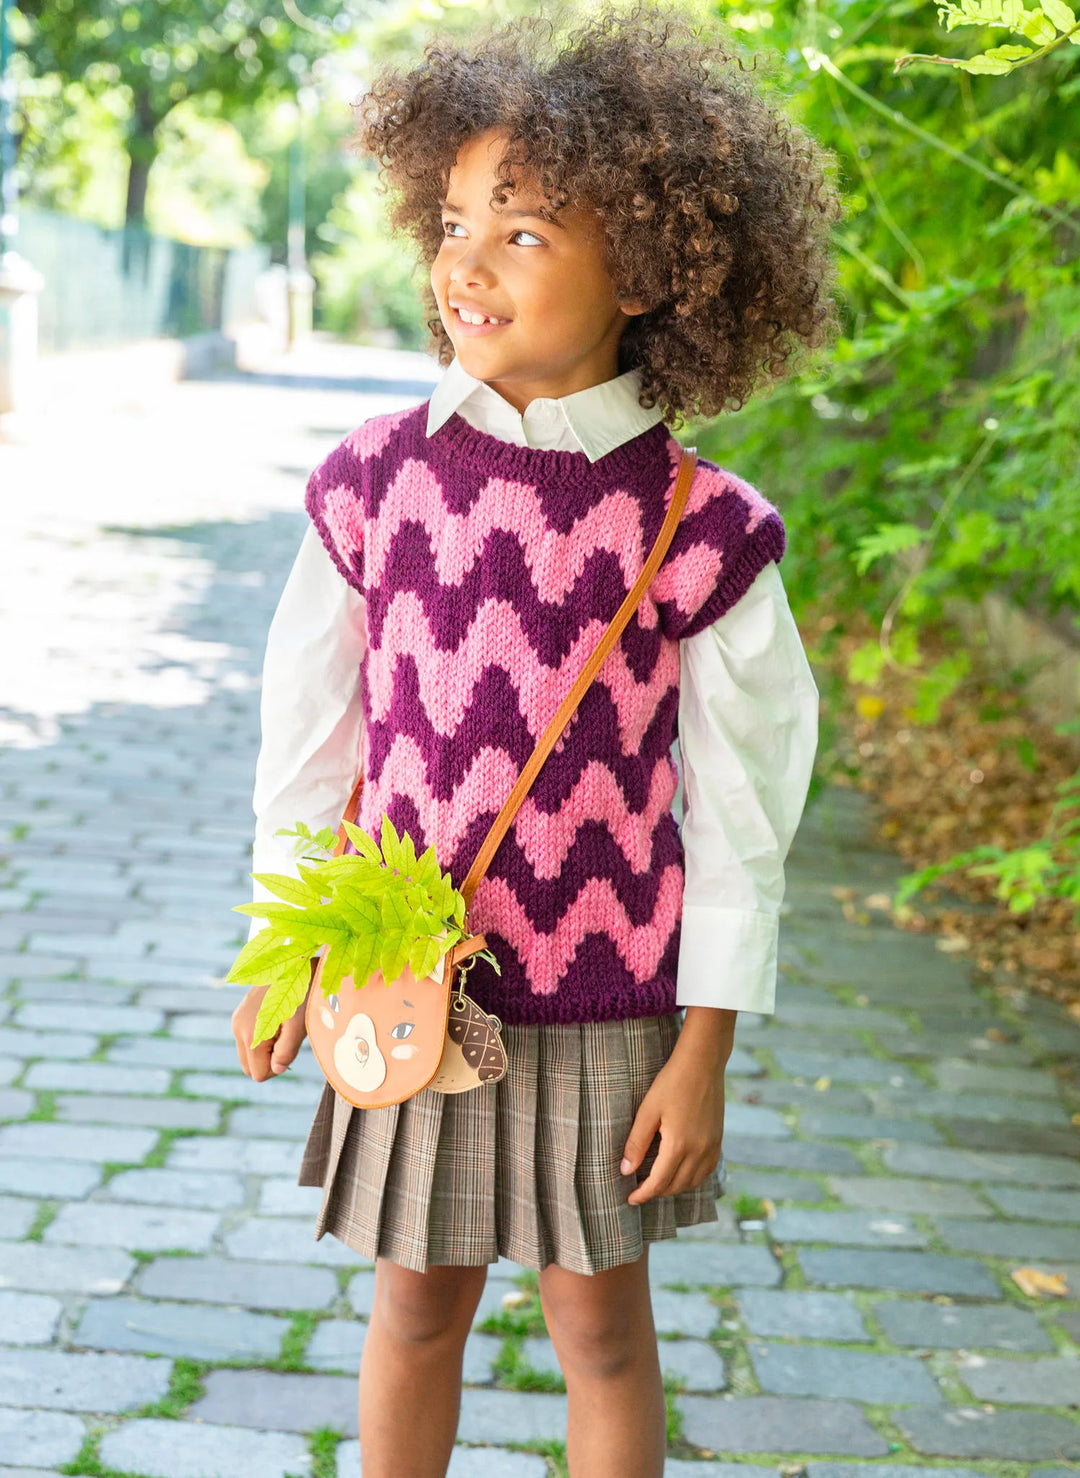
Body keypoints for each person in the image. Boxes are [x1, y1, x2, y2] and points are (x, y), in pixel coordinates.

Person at [232, 4, 836, 1473]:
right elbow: (308, 743)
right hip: (417, 983)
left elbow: (743, 819)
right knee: (415, 1309)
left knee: (604, 1332)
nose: (465, 262)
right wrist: (279, 944)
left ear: (642, 267)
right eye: (453, 221)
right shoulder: (375, 486)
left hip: (613, 1005)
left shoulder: (704, 528)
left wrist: (704, 1054)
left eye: (522, 231)